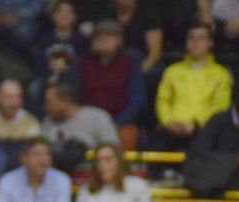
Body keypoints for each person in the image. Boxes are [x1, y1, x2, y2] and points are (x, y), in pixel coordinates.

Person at [153, 21, 232, 152]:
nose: (195, 42)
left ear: (210, 43)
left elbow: (220, 106)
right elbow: (162, 99)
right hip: (172, 126)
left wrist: (196, 123)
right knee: (156, 148)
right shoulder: (172, 71)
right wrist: (167, 121)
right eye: (191, 38)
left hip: (205, 128)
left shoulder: (221, 74)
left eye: (201, 38)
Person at [79, 20, 145, 149]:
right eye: (98, 35)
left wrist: (117, 122)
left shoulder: (129, 63)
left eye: (108, 35)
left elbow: (137, 100)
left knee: (127, 133)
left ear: (119, 41)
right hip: (87, 120)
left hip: (119, 121)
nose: (102, 38)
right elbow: (74, 95)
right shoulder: (83, 63)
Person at [41, 83, 120, 171]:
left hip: (93, 171)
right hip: (56, 174)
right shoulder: (47, 121)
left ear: (65, 101)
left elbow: (113, 149)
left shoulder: (97, 116)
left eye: (49, 102)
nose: (45, 107)